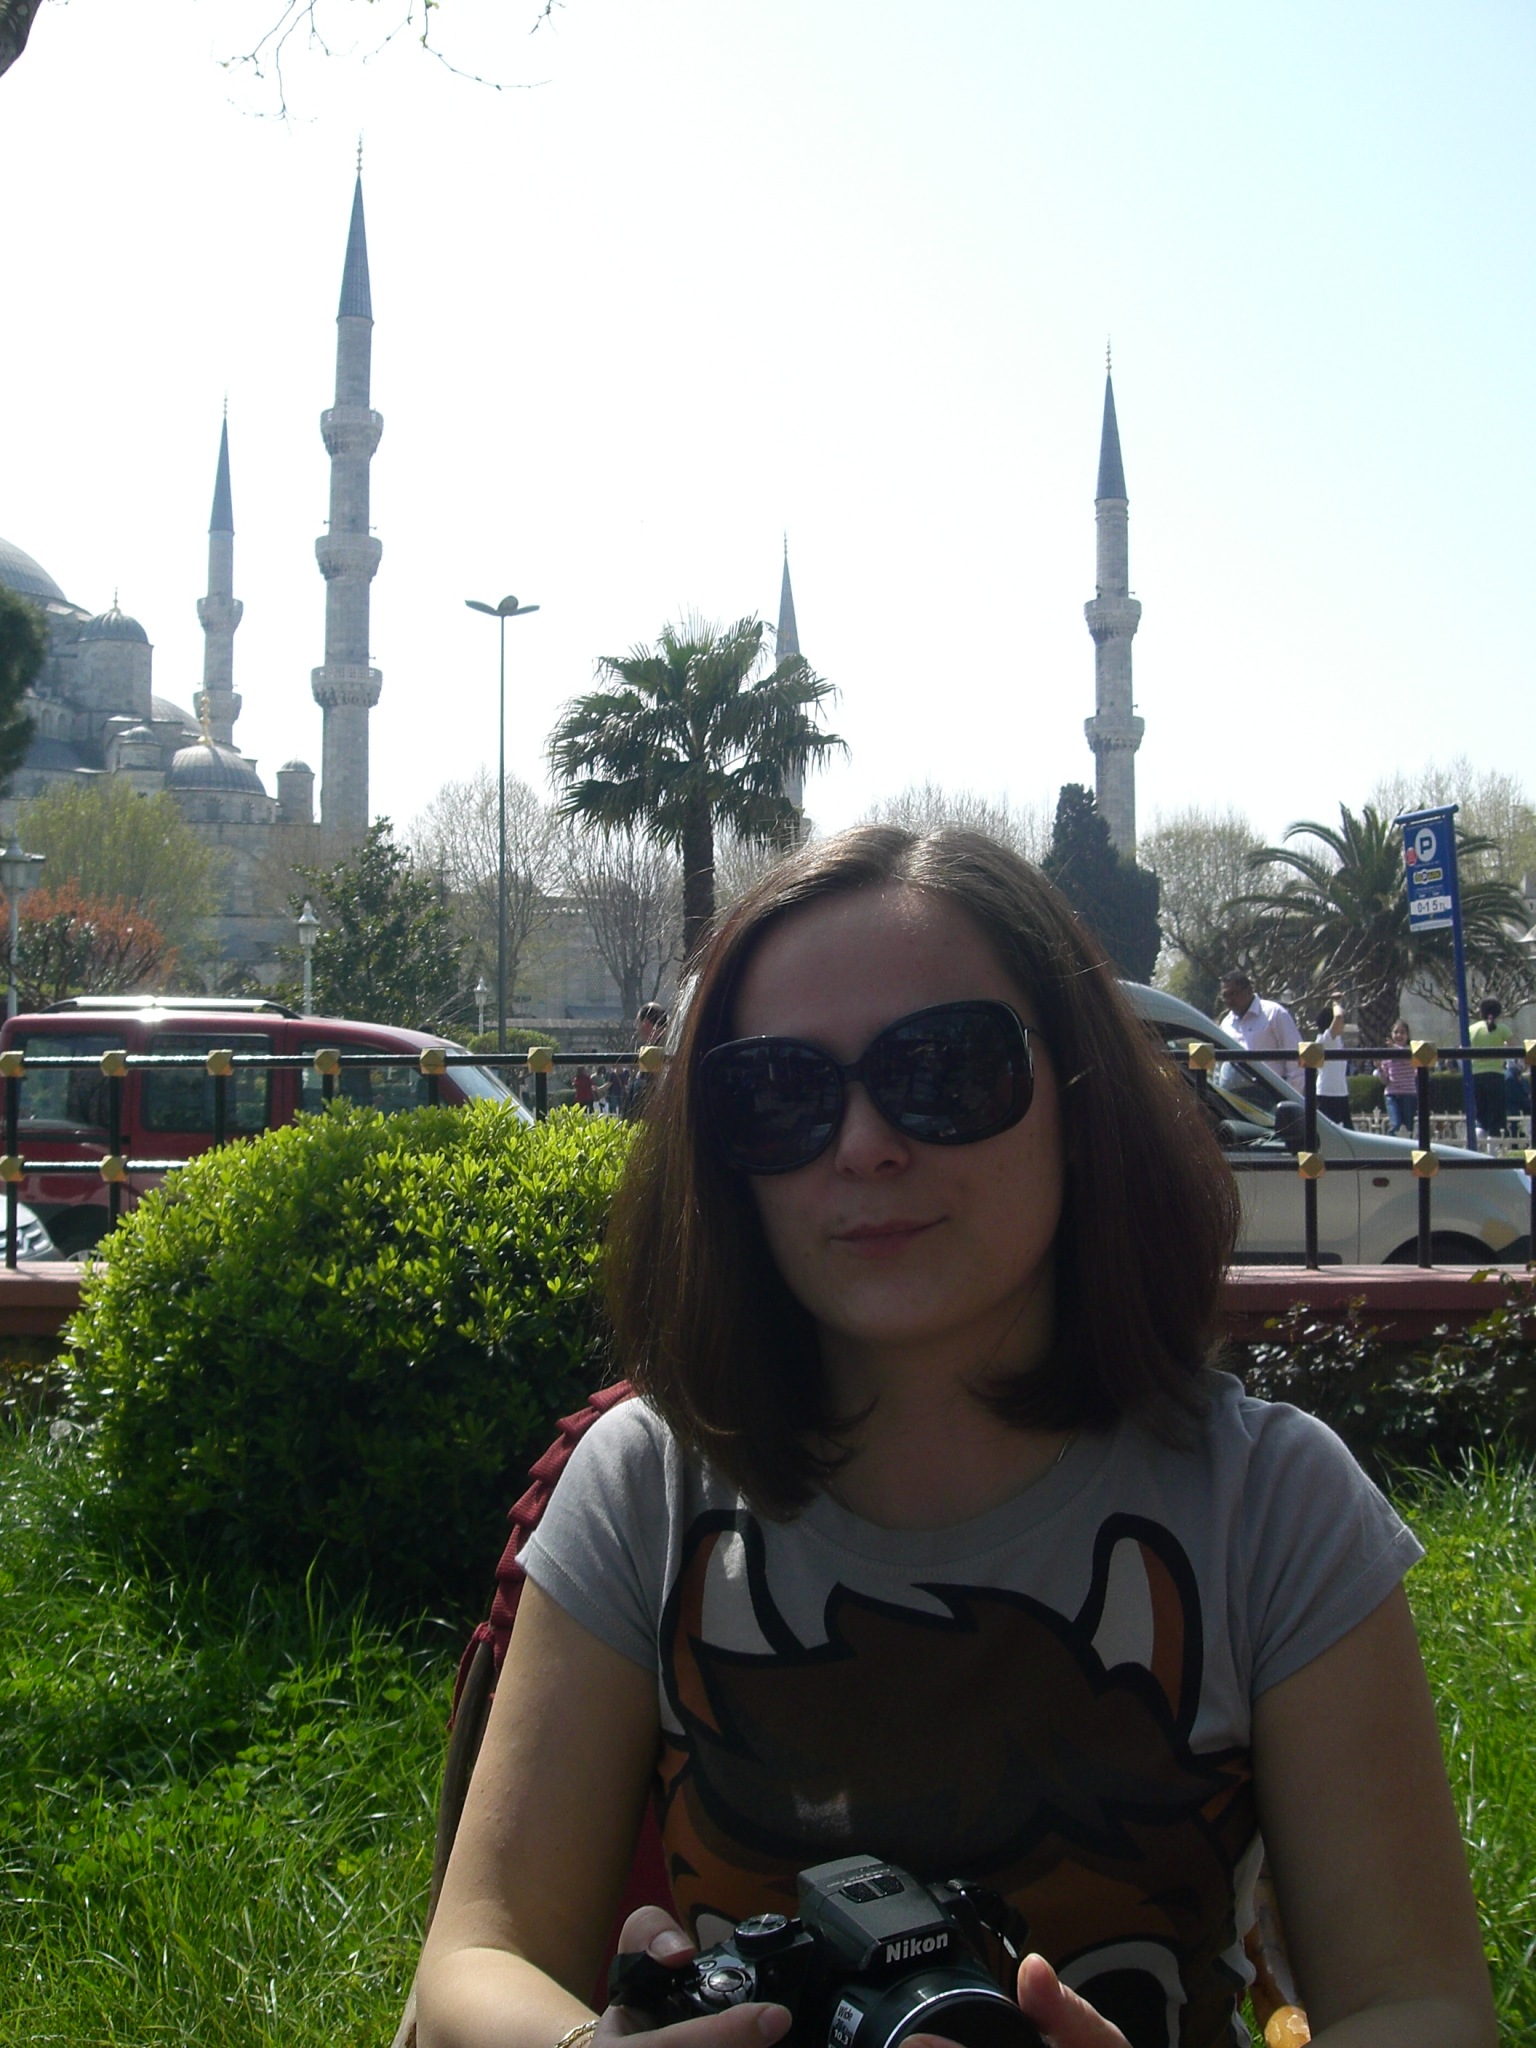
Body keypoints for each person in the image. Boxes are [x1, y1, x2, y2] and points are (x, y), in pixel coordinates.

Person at [416, 828, 1495, 2048]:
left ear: (1079, 1097)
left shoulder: (1271, 1504)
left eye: (946, 1068)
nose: (864, 1142)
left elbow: (1421, 2001)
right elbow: (475, 1958)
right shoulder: (647, 1489)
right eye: (780, 1091)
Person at [1216, 971, 1301, 1090]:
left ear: (1249, 990)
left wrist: (1290, 1095)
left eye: (1233, 994)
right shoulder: (1226, 1024)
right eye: (1225, 996)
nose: (1229, 1000)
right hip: (1233, 1097)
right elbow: (1219, 1067)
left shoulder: (1274, 1014)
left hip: (1270, 1093)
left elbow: (1296, 1062)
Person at [1469, 998, 1513, 1142]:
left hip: (1476, 1075)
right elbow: (1513, 1050)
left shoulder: (1472, 1029)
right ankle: (1493, 1150)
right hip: (1496, 1075)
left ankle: (1475, 1146)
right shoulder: (1503, 1029)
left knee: (1480, 1116)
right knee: (1496, 1116)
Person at [1314, 998, 1353, 1129]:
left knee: (1347, 1132)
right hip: (1327, 1094)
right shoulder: (1326, 1039)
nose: (1343, 1024)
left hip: (1340, 1092)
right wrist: (1336, 1003)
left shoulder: (1336, 1040)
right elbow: (1338, 1017)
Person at [1376, 1020, 1418, 1137]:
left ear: (1407, 1035)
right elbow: (1385, 1080)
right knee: (1396, 1125)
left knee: (1408, 1128)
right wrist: (1379, 1068)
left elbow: (1406, 1059)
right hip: (1392, 1094)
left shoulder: (1410, 1051)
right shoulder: (1387, 1055)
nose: (1399, 1035)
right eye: (1396, 1032)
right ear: (1391, 1034)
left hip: (1408, 1094)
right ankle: (1388, 1144)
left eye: (1402, 1032)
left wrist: (1394, 1047)